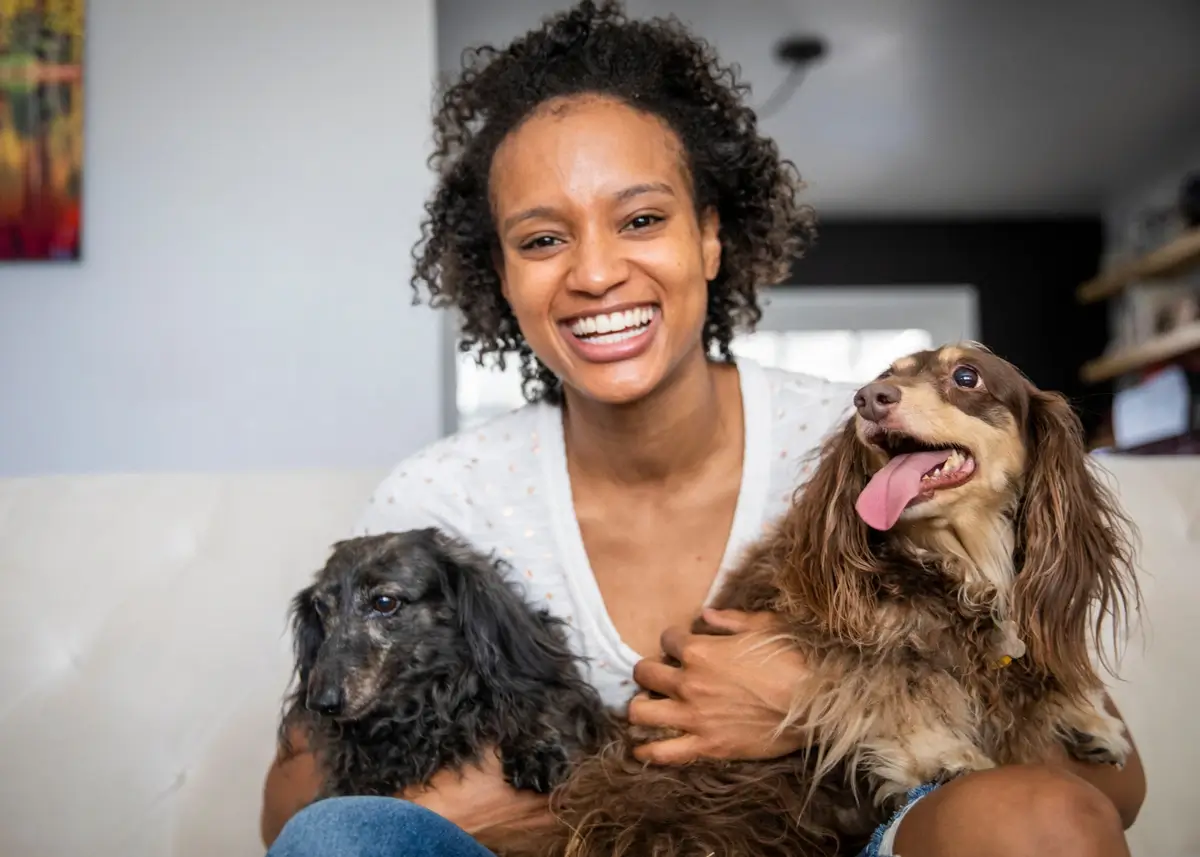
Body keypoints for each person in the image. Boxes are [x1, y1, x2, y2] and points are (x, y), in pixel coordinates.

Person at [260, 2, 1147, 855]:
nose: (596, 272)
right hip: (573, 843)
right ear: (500, 274)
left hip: (845, 837)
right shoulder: (441, 503)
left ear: (711, 236)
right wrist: (527, 813)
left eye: (641, 219)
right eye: (541, 240)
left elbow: (1111, 786)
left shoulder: (871, 449)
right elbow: (293, 809)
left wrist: (817, 702)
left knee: (1040, 820)